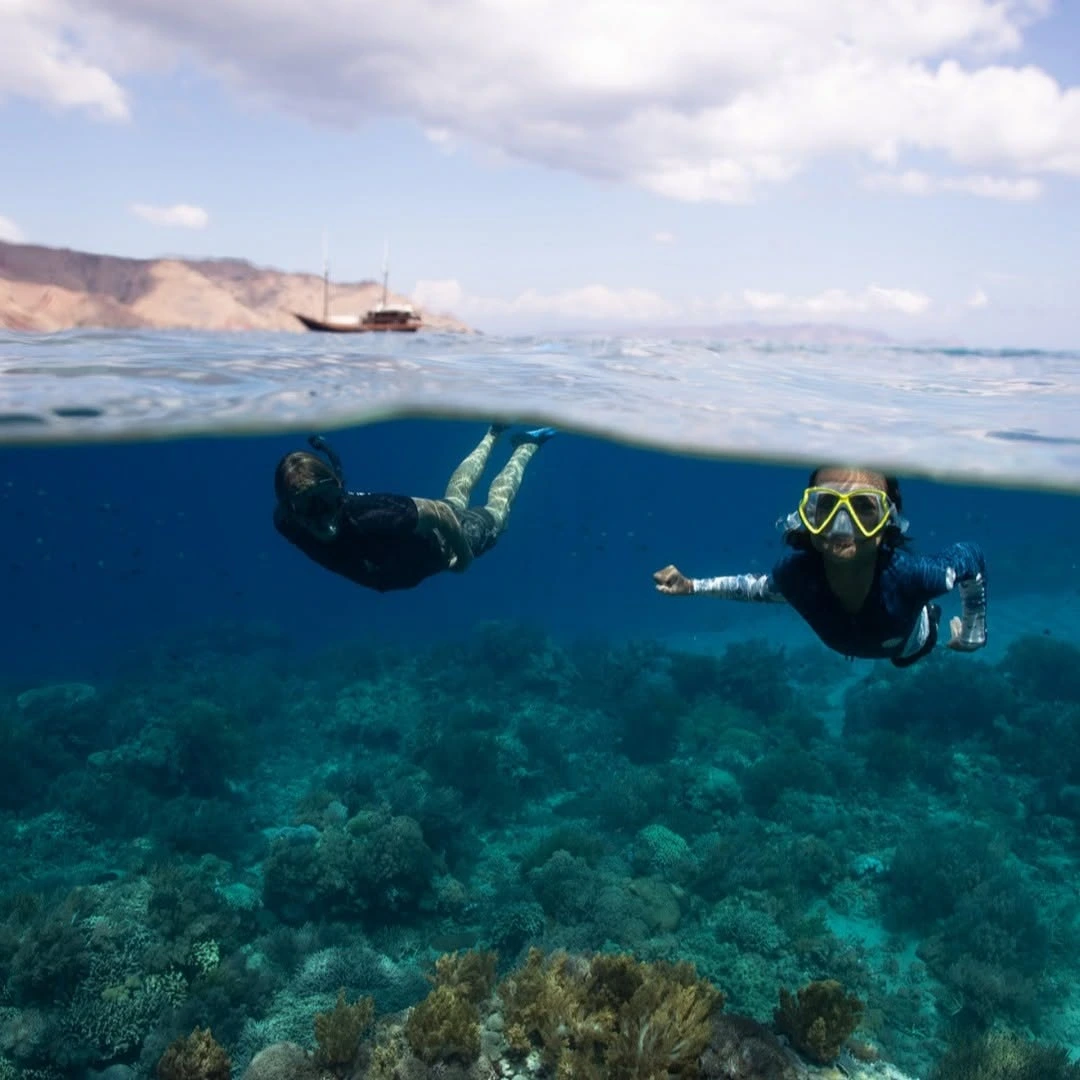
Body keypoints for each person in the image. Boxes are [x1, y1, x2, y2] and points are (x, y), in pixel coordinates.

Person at [653, 466, 986, 667]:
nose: (843, 524)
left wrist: (973, 631)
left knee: (905, 659)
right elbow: (755, 588)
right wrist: (691, 586)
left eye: (863, 508)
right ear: (805, 519)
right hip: (860, 636)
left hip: (911, 643)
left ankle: (929, 618)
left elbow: (969, 555)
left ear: (889, 523)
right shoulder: (796, 576)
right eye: (825, 506)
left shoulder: (916, 578)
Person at [274, 424, 555, 592]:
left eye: (327, 498)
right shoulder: (286, 524)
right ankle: (494, 431)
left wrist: (464, 558)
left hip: (443, 540)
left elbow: (439, 514)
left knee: (496, 514)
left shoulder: (372, 517)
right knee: (456, 498)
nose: (323, 516)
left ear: (339, 491)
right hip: (424, 534)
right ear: (290, 512)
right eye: (308, 506)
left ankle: (527, 446)